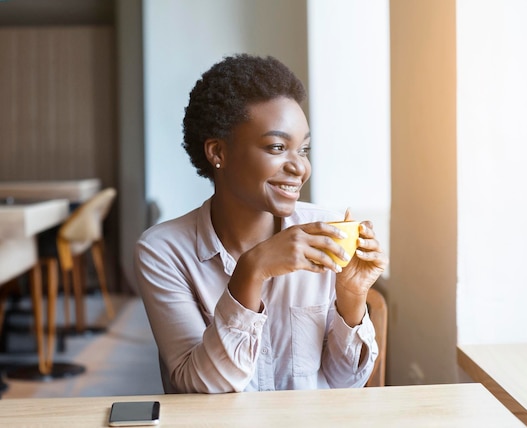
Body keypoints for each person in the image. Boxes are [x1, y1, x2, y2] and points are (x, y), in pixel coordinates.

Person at [134, 53, 388, 394]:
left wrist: (352, 297)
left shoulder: (325, 233)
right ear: (217, 152)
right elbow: (199, 388)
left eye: (304, 149)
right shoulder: (163, 252)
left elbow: (346, 384)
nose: (299, 167)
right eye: (278, 147)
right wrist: (252, 270)